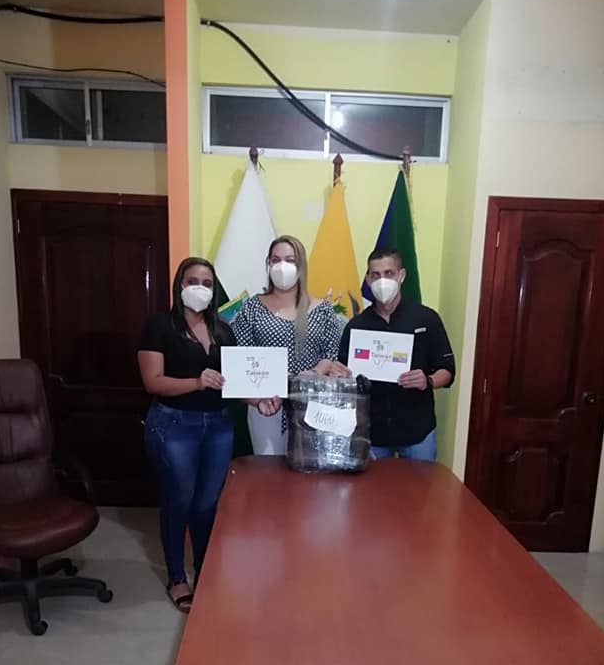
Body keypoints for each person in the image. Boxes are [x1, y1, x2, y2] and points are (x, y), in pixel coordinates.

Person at [138, 257, 237, 611]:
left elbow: (235, 381)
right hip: (175, 425)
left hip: (219, 427)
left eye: (207, 283)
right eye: (192, 281)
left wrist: (259, 397)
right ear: (180, 285)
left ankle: (204, 571)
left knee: (207, 504)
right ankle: (177, 577)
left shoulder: (224, 330)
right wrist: (196, 382)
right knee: (178, 500)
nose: (200, 288)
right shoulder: (160, 325)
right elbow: (153, 382)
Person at [232, 235, 349, 455]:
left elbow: (331, 354)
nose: (282, 266)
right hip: (266, 406)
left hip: (312, 404)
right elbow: (240, 359)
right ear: (268, 264)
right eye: (275, 260)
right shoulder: (252, 308)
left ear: (301, 265)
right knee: (268, 470)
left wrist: (314, 373)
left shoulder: (322, 309)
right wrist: (257, 400)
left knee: (308, 468)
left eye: (290, 260)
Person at [338, 247, 455, 461]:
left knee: (420, 484)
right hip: (372, 432)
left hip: (417, 431)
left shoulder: (426, 319)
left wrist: (427, 381)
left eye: (389, 273)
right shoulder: (356, 326)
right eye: (376, 275)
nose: (382, 281)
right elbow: (344, 374)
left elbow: (448, 371)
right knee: (373, 485)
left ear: (401, 275)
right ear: (368, 280)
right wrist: (340, 375)